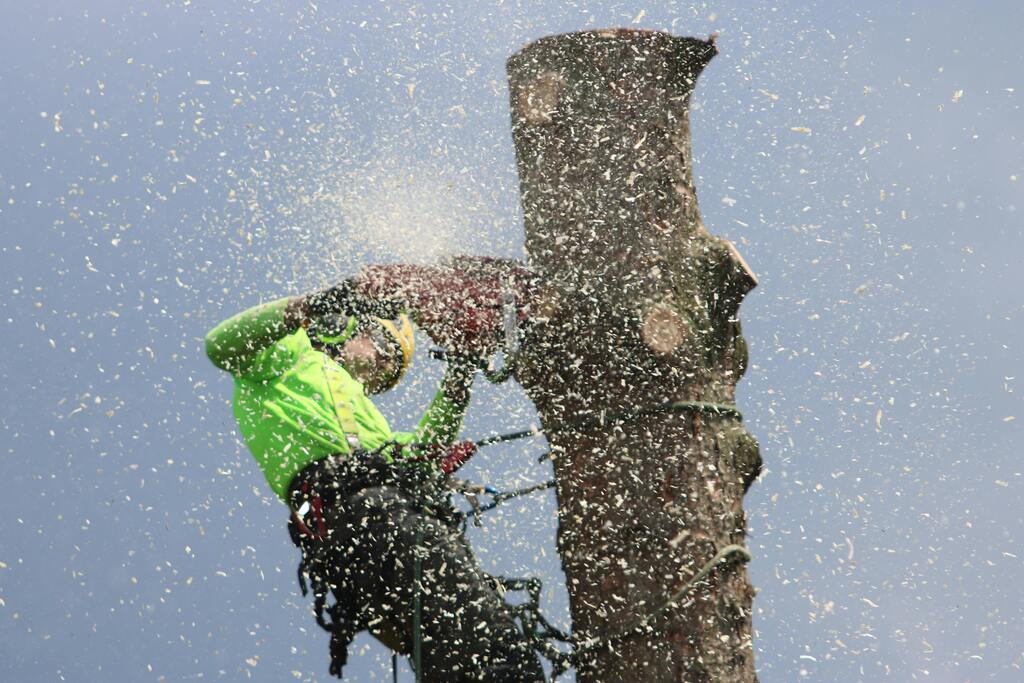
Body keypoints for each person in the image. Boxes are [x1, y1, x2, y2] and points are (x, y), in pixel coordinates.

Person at [204, 281, 545, 681]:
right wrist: (312, 305)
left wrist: (460, 370)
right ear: (348, 326)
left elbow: (422, 453)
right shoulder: (287, 355)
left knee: (462, 637)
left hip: (374, 521)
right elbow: (219, 345)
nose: (385, 368)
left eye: (391, 369)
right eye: (386, 350)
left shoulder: (365, 420)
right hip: (363, 512)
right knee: (485, 638)